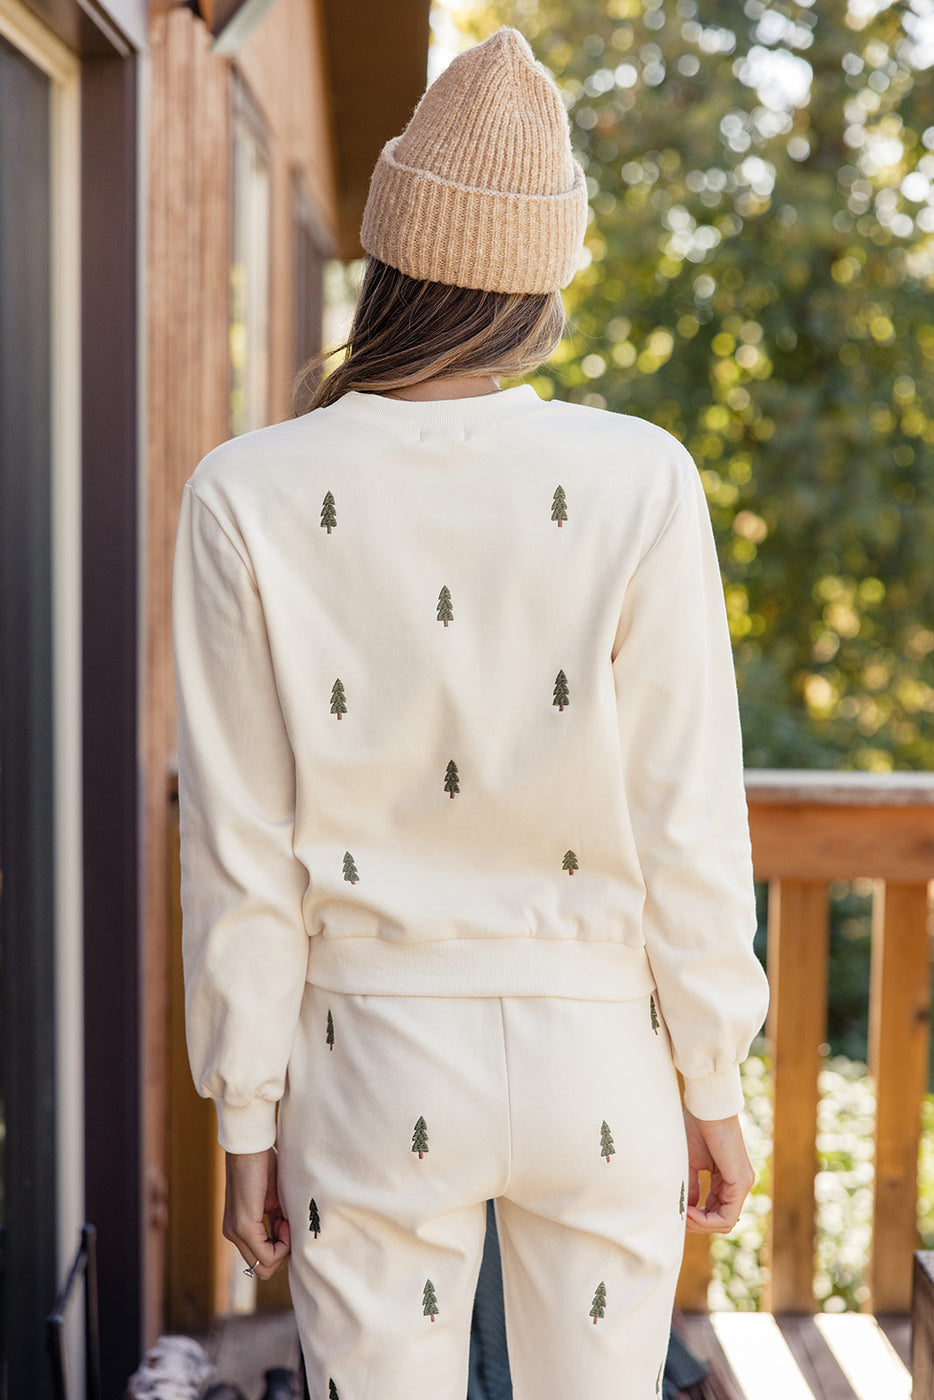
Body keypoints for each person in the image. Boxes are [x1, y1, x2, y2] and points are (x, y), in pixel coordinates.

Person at [172, 27, 770, 1400]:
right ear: (542, 282)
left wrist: (246, 1114)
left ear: (389, 256)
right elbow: (687, 814)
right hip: (600, 1064)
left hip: (364, 1062)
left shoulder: (245, 492)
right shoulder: (638, 477)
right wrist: (712, 1082)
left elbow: (239, 842)